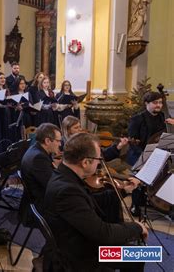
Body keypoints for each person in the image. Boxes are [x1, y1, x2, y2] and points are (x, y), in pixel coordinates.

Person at [43, 133, 147, 272]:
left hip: (80, 242)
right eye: (98, 159)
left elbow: (90, 200)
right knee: (143, 254)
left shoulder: (64, 175)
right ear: (85, 162)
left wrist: (123, 191)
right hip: (82, 256)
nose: (100, 162)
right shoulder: (67, 191)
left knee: (137, 253)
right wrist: (137, 227)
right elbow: (103, 233)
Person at [128, 91, 174, 215]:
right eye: (155, 103)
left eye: (160, 102)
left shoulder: (163, 117)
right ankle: (135, 204)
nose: (158, 105)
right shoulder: (137, 119)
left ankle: (160, 199)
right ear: (146, 103)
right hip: (139, 153)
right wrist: (145, 155)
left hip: (158, 154)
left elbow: (167, 139)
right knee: (140, 171)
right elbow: (132, 142)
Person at [20, 123, 62, 217]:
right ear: (47, 141)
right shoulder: (38, 158)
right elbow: (53, 186)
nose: (60, 144)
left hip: (39, 196)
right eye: (58, 141)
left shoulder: (36, 149)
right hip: (40, 205)